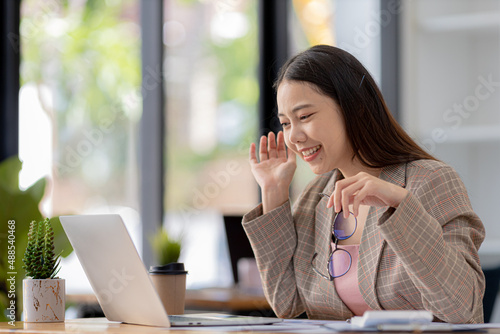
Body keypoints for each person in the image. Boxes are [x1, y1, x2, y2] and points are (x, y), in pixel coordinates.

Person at [242, 45, 485, 324]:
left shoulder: (431, 182)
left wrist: (400, 204)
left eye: (305, 117)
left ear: (353, 108)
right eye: (285, 123)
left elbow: (462, 308)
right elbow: (286, 303)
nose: (294, 136)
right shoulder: (315, 198)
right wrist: (274, 191)